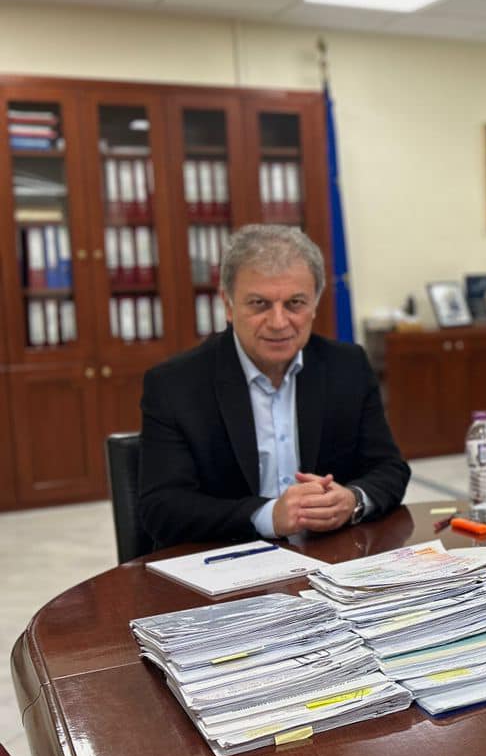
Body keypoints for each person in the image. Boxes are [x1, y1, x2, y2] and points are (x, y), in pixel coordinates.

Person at [139, 225, 410, 549]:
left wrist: (352, 500)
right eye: (259, 304)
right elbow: (162, 508)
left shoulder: (347, 366)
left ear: (315, 305)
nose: (279, 322)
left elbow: (389, 469)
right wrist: (267, 516)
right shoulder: (175, 385)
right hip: (225, 560)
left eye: (295, 303)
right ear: (228, 305)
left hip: (327, 557)